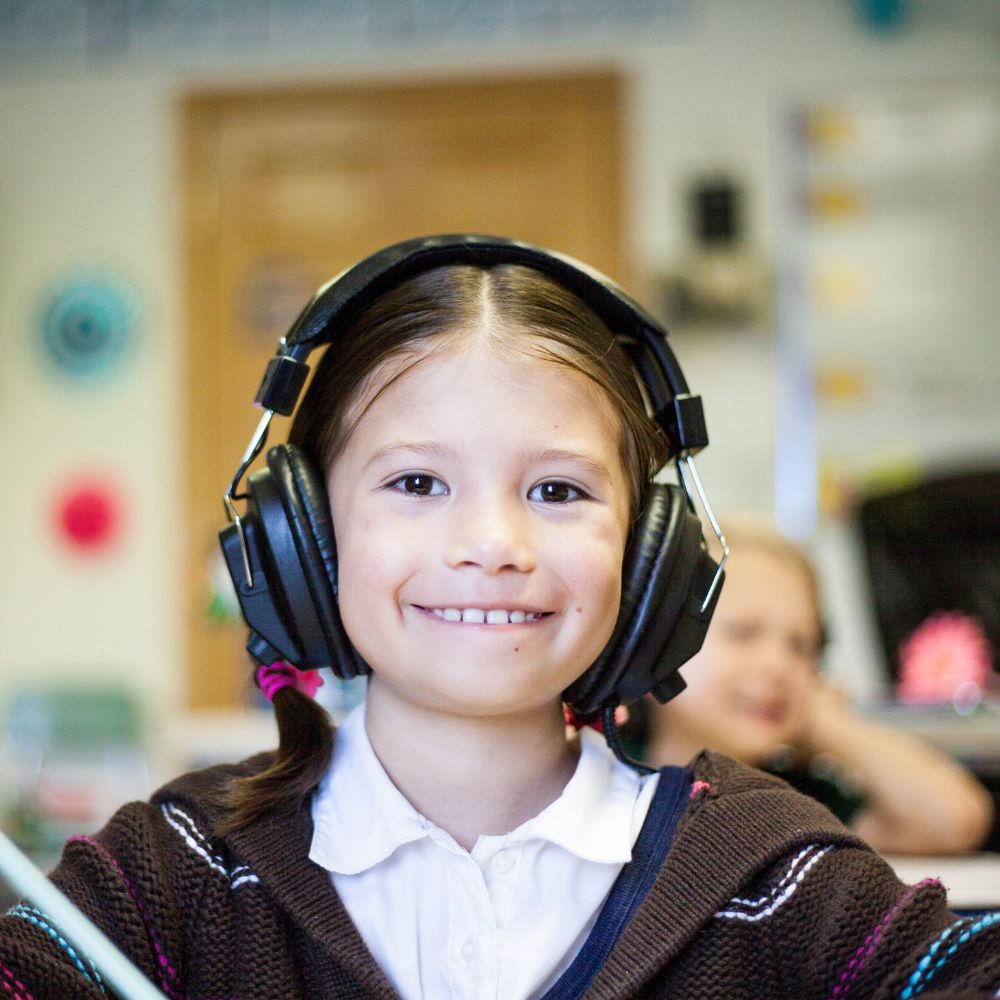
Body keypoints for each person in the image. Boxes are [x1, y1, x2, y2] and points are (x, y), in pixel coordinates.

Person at [2, 236, 999, 999]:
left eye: (559, 491)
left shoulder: (775, 877)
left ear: (655, 556)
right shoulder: (180, 874)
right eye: (418, 480)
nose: (492, 542)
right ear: (301, 539)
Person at [644, 517, 995, 856]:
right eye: (743, 632)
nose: (778, 666)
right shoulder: (604, 778)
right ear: (651, 644)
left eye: (801, 646)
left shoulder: (802, 803)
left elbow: (955, 819)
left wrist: (827, 724)